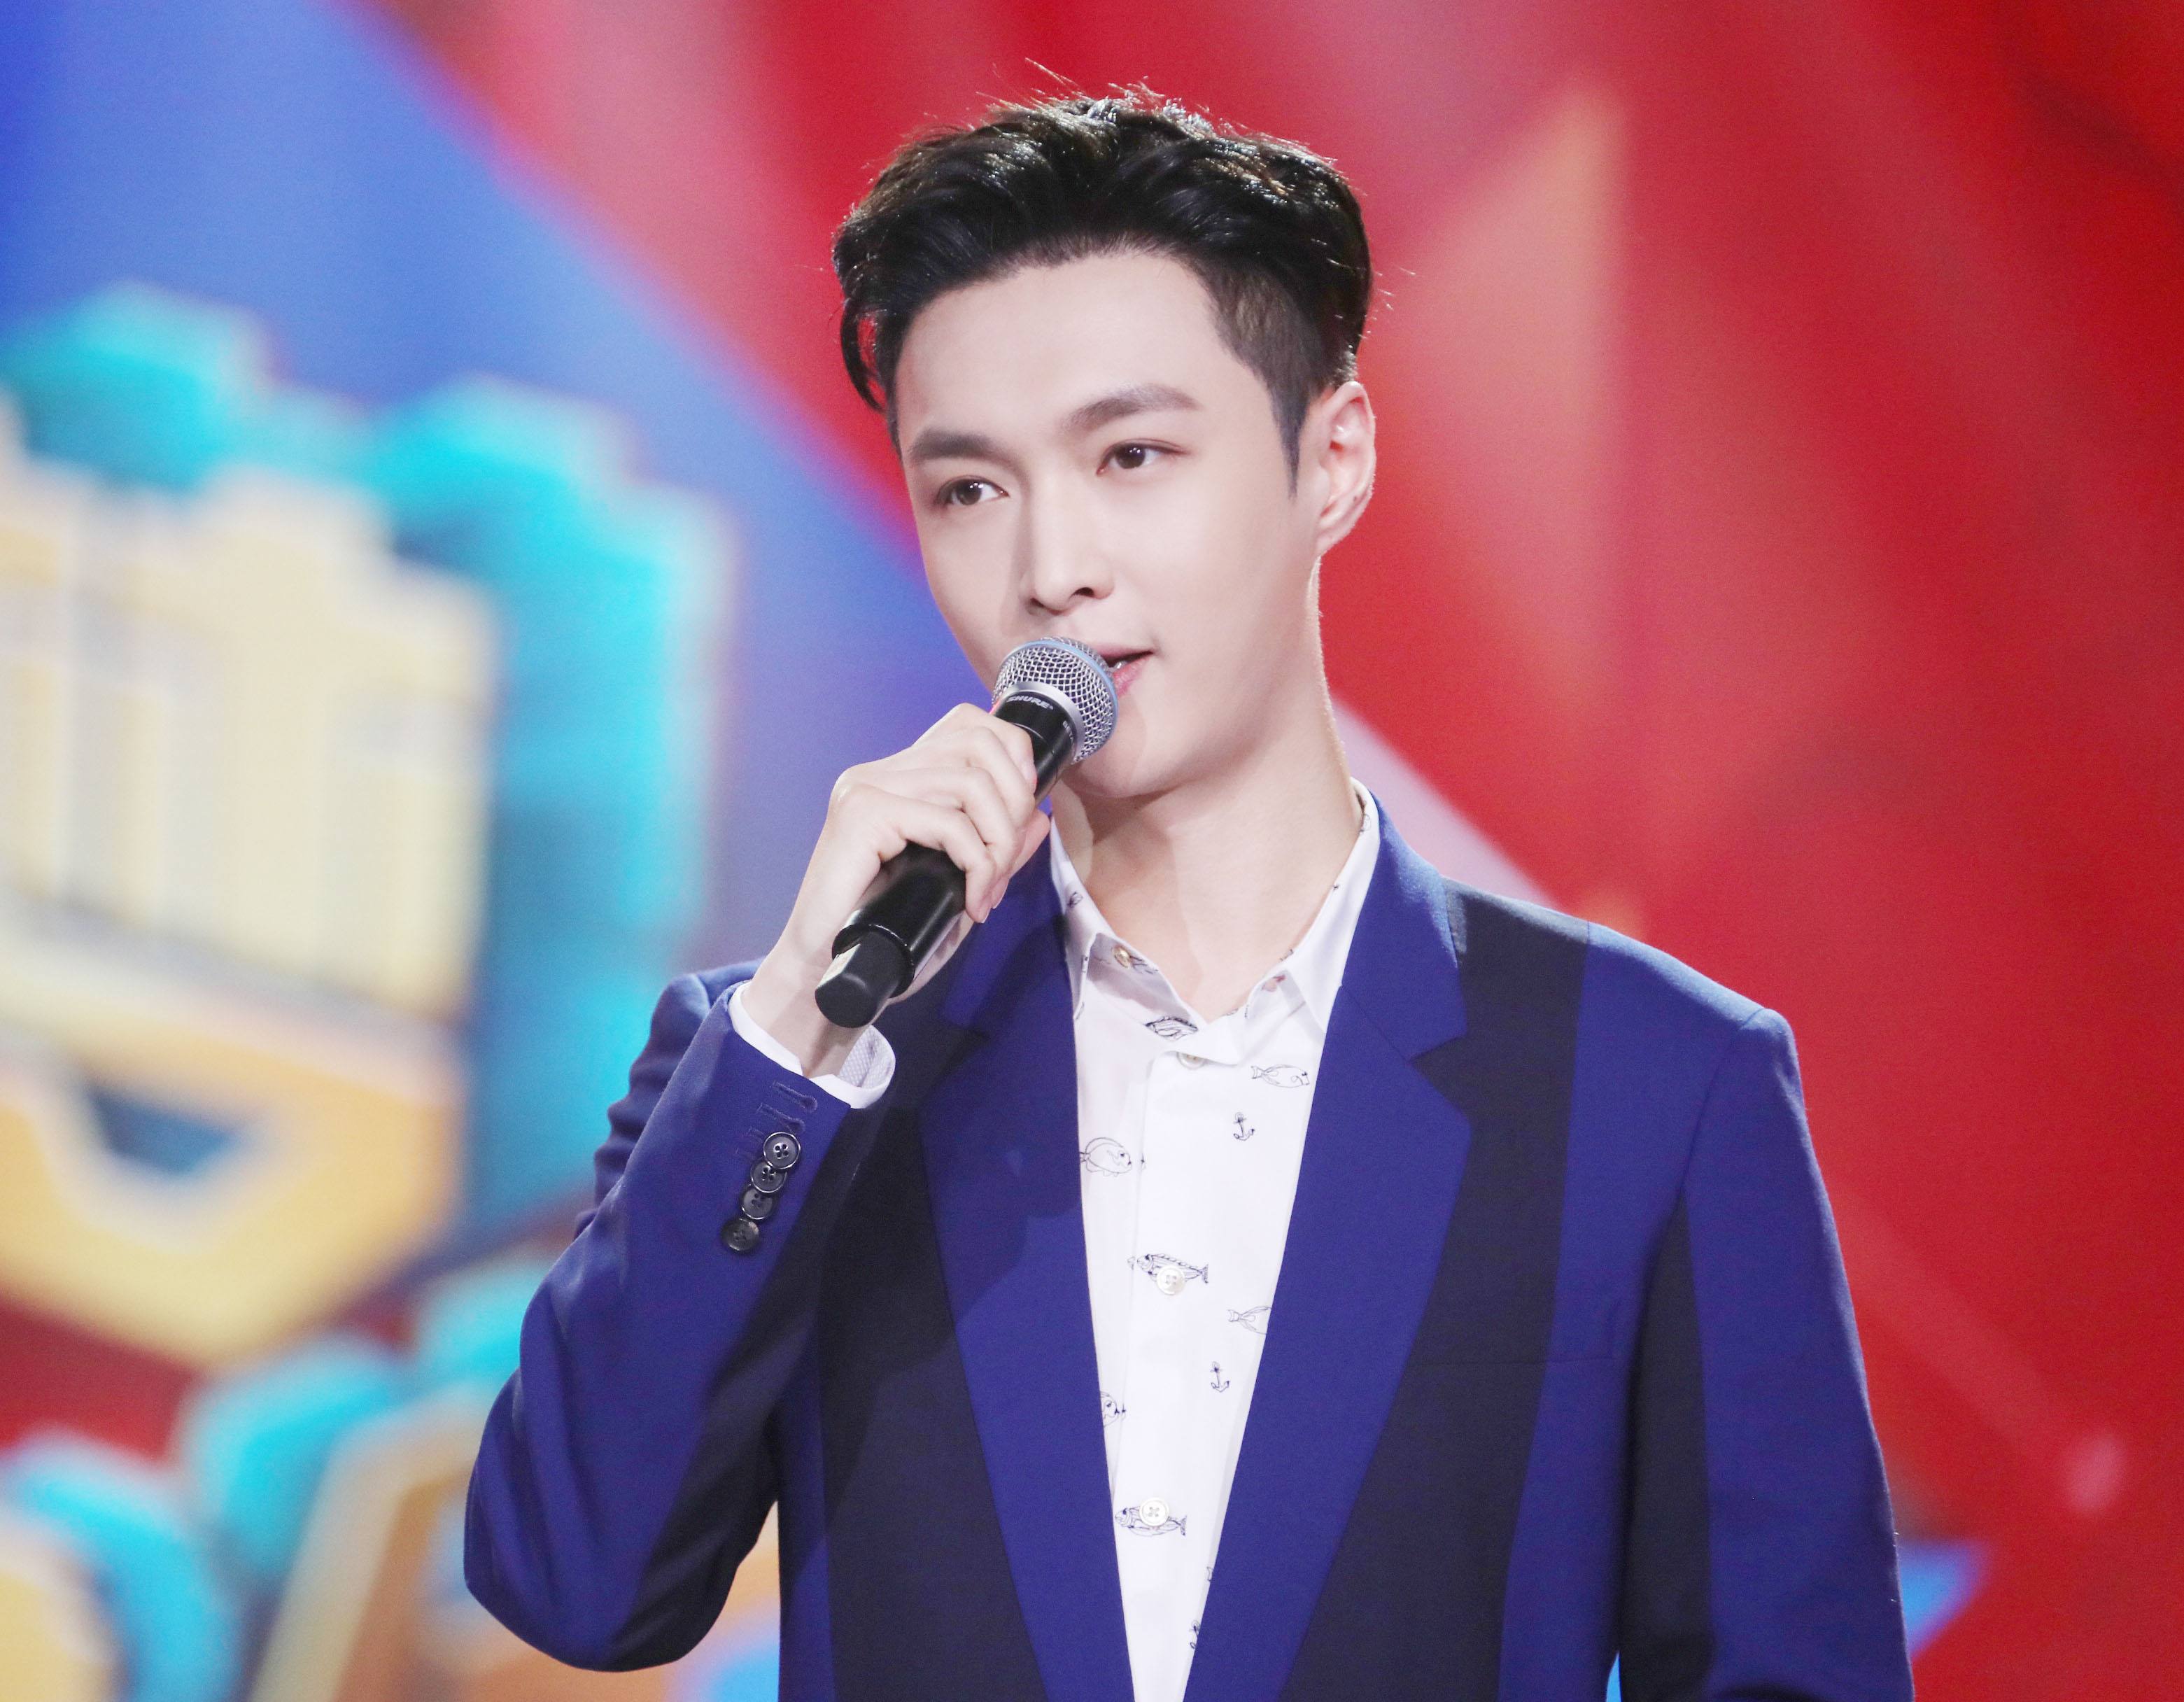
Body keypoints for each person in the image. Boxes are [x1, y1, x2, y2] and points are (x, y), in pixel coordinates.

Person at [463, 90, 1915, 1701]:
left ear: (1332, 459)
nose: (1052, 566)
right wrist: (807, 1025)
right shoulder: (791, 1064)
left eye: (1131, 455)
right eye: (969, 489)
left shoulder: (1653, 1080)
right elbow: (573, 1581)